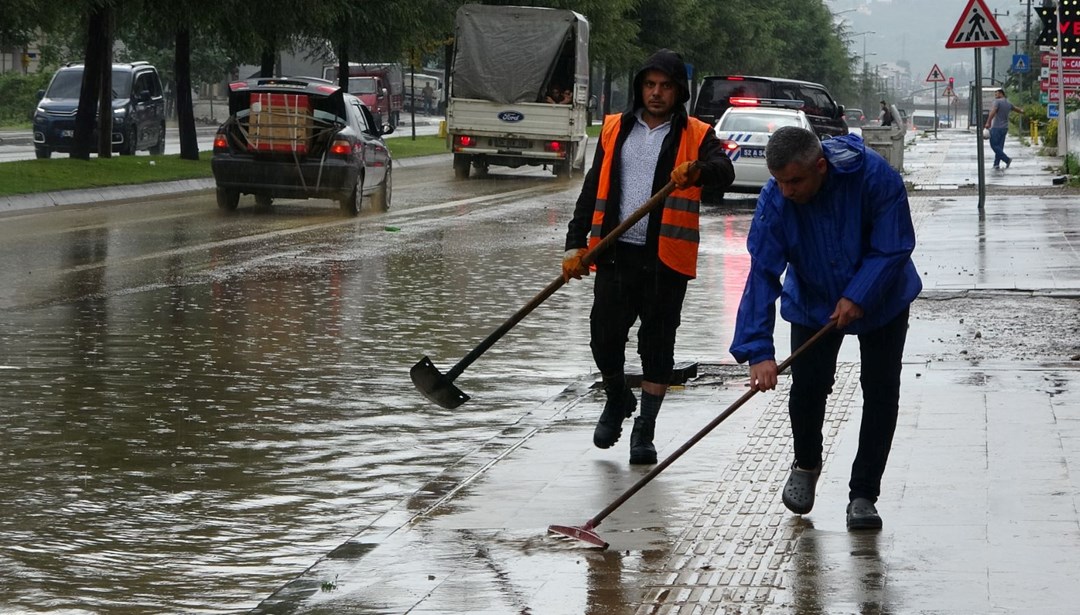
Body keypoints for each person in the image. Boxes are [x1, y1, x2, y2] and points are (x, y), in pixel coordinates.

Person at [729, 126, 922, 530]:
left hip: (883, 293)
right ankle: (806, 462)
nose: (787, 191)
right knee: (808, 387)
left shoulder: (874, 177)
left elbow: (894, 244)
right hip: (813, 296)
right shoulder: (775, 200)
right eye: (779, 181)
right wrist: (759, 351)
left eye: (795, 181)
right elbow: (762, 273)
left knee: (881, 389)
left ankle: (864, 494)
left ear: (820, 166)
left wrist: (860, 294)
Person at [562, 49, 734, 465]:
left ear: (679, 92)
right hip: (615, 254)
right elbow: (592, 188)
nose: (656, 93)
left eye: (665, 86)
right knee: (604, 337)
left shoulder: (697, 134)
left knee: (657, 348)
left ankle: (645, 430)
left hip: (666, 262)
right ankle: (618, 396)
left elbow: (723, 173)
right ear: (640, 87)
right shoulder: (615, 129)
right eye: (649, 85)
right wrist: (574, 243)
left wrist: (697, 171)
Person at [985, 89, 1021, 170]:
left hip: (997, 127)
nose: (995, 95)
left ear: (1001, 93)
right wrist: (1022, 111)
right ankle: (996, 164)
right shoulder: (1008, 103)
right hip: (1005, 128)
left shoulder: (997, 102)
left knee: (994, 145)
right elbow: (1016, 109)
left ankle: (1007, 159)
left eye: (996, 93)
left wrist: (988, 122)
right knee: (999, 147)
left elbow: (993, 112)